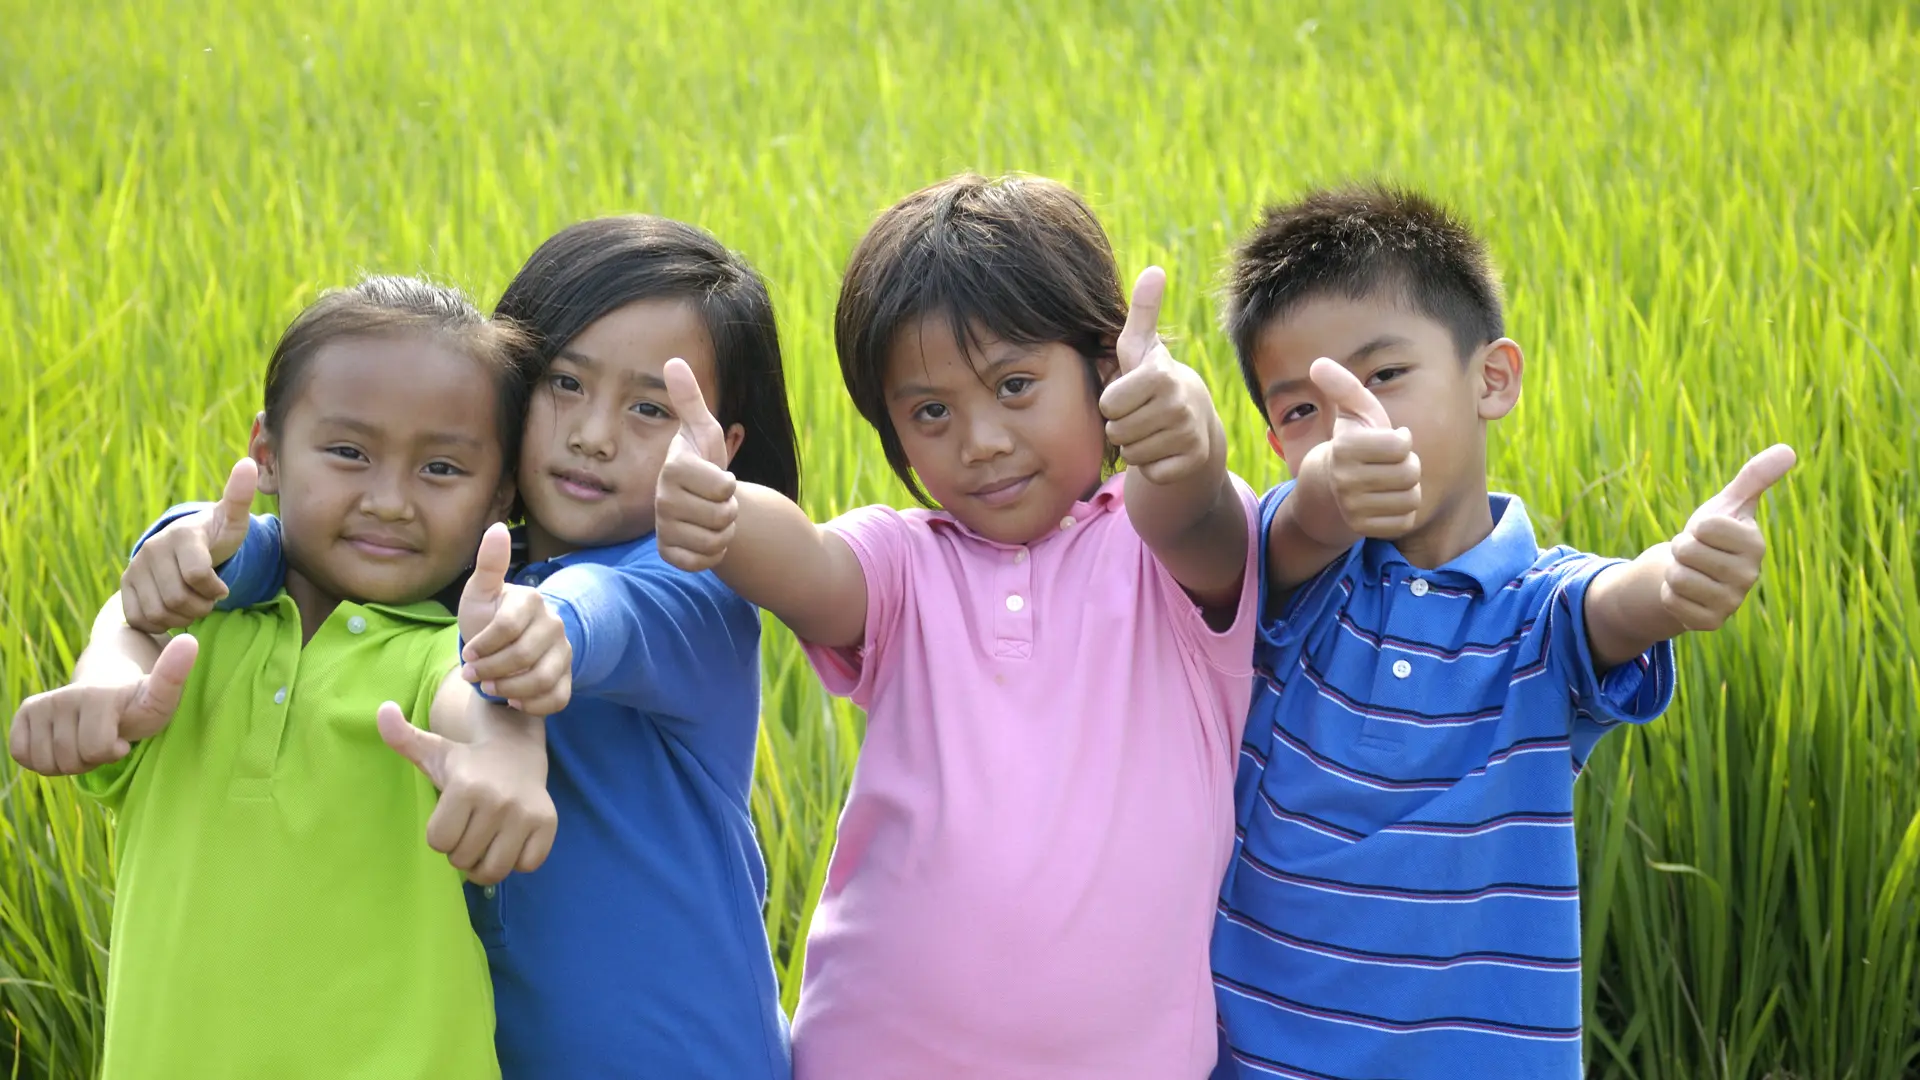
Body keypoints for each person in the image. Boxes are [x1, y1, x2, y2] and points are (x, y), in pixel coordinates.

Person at [114, 217, 801, 1079]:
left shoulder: (698, 593)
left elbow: (606, 610)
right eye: (563, 384)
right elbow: (295, 554)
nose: (594, 434)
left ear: (721, 450)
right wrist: (200, 543)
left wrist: (549, 628)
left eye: (651, 409)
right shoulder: (443, 578)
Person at [654, 173, 1260, 1079]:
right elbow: (811, 567)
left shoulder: (1160, 555)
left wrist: (1183, 428)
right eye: (930, 412)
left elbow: (1192, 501)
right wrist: (726, 512)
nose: (979, 440)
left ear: (1105, 369)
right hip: (874, 1050)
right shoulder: (905, 563)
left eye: (1015, 385)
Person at [1209, 183, 1794, 1079]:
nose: (1349, 427)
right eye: (1302, 411)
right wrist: (1327, 489)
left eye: (1385, 377)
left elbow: (1615, 606)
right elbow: (1295, 527)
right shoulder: (1291, 577)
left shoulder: (1537, 610)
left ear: (1493, 378)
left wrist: (1676, 579)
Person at [8, 275, 568, 1079]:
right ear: (266, 453)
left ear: (499, 496)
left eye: (441, 469)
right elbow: (132, 642)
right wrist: (101, 680)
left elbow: (478, 707)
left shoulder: (442, 649)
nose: (389, 500)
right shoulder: (194, 636)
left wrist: (506, 764)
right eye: (348, 452)